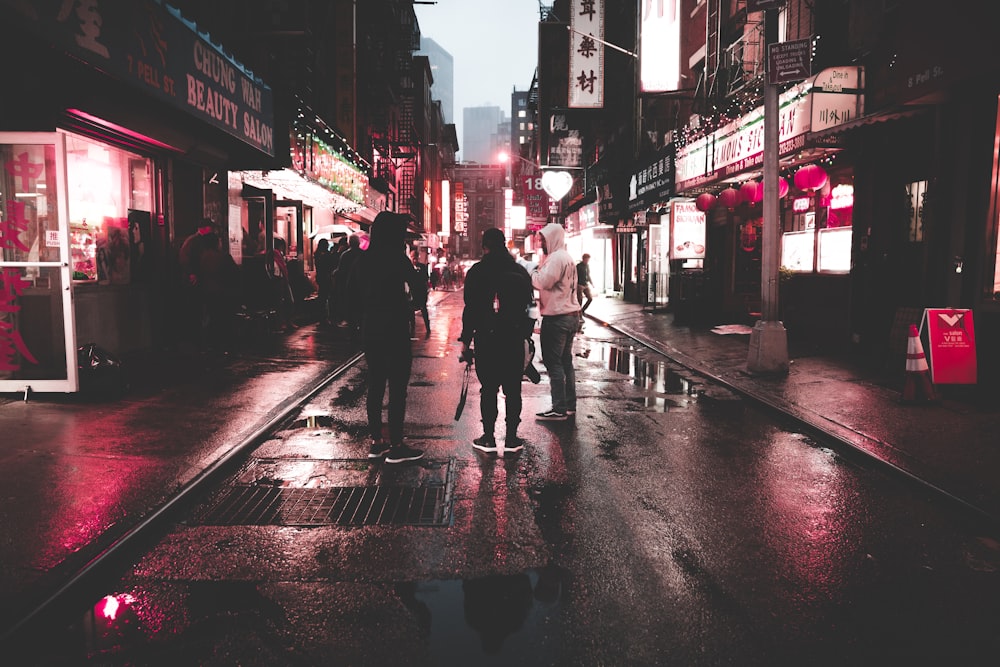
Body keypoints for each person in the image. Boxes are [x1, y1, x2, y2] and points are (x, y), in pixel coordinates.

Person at [346, 212, 424, 464]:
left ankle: (376, 442)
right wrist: (413, 306)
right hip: (396, 328)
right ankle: (397, 445)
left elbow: (347, 295)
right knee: (397, 388)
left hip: (371, 329)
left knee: (376, 384)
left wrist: (360, 319)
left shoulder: (362, 260)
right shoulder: (398, 259)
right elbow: (418, 288)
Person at [459, 228, 534, 453]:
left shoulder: (477, 272)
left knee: (489, 388)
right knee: (513, 389)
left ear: (485, 247)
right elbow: (531, 308)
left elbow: (470, 310)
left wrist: (465, 340)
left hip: (486, 339)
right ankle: (511, 438)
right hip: (513, 338)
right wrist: (525, 334)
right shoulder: (519, 272)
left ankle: (489, 438)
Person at [530, 222, 581, 421]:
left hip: (557, 317)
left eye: (543, 238)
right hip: (570, 315)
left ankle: (558, 408)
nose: (541, 242)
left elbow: (543, 281)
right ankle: (569, 405)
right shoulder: (566, 257)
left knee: (554, 363)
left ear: (552, 238)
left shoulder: (556, 259)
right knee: (566, 361)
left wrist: (532, 272)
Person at [332, 233, 362, 327]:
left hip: (347, 283)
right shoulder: (363, 254)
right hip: (360, 283)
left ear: (349, 243)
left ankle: (351, 323)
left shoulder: (345, 255)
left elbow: (341, 270)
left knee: (349, 303)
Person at [409, 248, 431, 338]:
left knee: (423, 309)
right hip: (412, 292)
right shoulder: (408, 267)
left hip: (421, 291)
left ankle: (428, 327)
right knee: (411, 311)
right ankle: (412, 328)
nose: (414, 259)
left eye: (415, 257)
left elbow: (425, 278)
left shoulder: (422, 267)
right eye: (412, 257)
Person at [314, 238, 335, 325]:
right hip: (327, 277)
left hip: (320, 277)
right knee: (327, 297)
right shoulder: (327, 255)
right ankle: (326, 317)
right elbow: (331, 266)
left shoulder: (317, 254)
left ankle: (321, 317)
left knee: (321, 297)